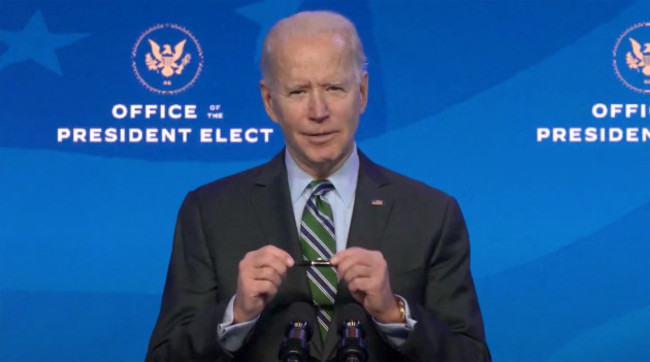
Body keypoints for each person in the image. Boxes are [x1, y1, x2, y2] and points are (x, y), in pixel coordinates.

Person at [146, 10, 489, 361]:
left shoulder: (431, 214)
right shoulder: (210, 213)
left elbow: (473, 356)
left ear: (363, 92)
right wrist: (234, 315)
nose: (318, 111)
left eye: (334, 88)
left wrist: (394, 313)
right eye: (297, 91)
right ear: (269, 102)